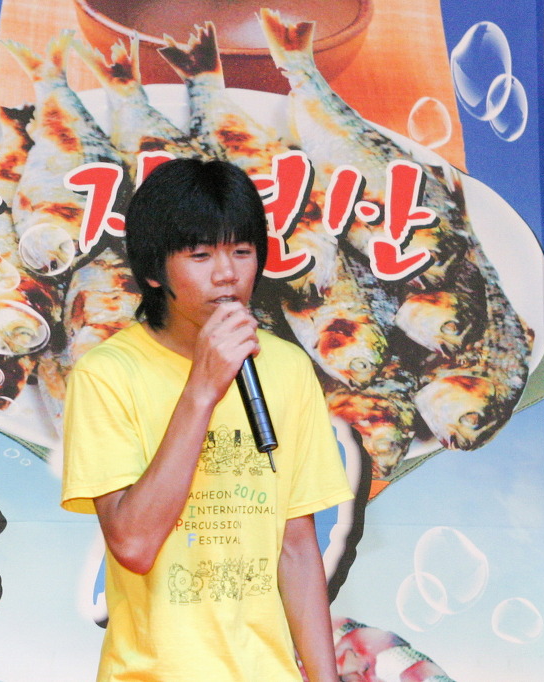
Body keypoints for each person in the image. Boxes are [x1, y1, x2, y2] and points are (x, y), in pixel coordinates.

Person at [61, 157, 353, 681]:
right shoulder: (107, 374)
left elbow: (296, 547)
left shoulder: (287, 368)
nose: (227, 274)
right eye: (200, 255)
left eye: (242, 251)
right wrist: (203, 388)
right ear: (154, 271)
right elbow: (133, 545)